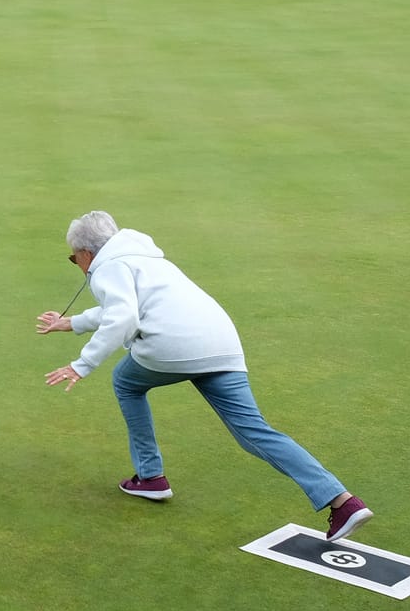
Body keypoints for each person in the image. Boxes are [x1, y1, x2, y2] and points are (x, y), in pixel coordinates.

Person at [36, 210, 370, 541]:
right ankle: (342, 502)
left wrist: (81, 365)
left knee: (126, 382)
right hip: (221, 343)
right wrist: (72, 322)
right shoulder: (143, 256)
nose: (77, 264)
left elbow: (122, 316)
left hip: (171, 348)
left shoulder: (106, 267)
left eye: (73, 258)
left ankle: (151, 477)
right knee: (254, 431)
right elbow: (129, 306)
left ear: (86, 253)